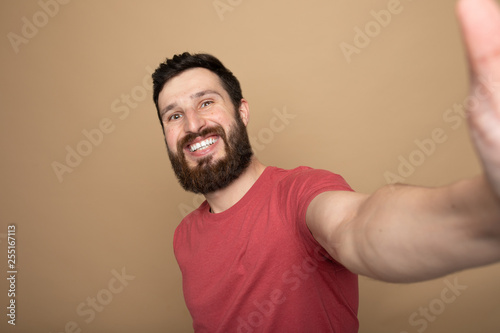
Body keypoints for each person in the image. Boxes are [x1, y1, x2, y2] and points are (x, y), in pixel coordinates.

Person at [151, 0, 500, 331]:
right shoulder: (183, 237)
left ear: (242, 112)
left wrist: (484, 213)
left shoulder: (298, 194)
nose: (193, 125)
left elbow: (359, 227)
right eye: (175, 115)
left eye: (207, 103)